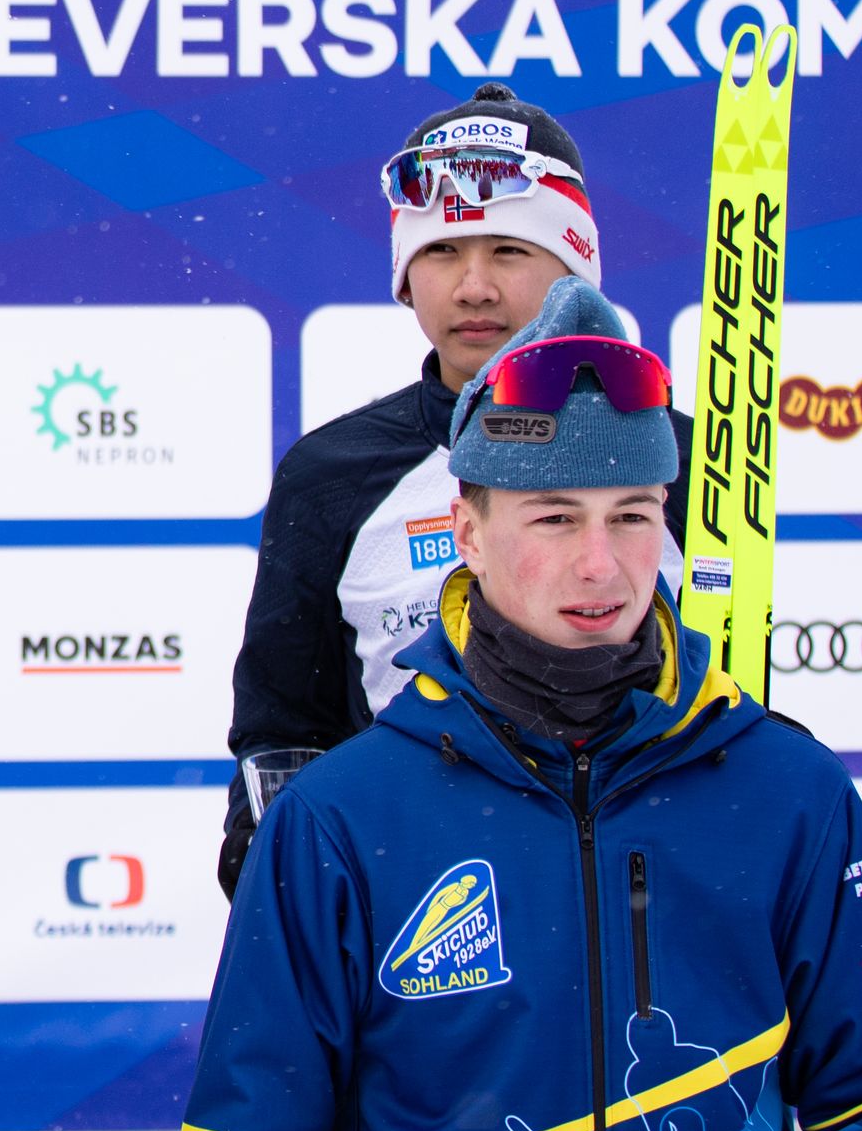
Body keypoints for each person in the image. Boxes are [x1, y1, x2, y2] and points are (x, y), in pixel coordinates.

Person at [185, 279, 862, 1131]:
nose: (601, 565)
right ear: (466, 533)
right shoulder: (339, 819)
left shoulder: (788, 788)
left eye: (630, 516)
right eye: (553, 518)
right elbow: (252, 1130)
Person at [218, 82, 692, 892]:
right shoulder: (333, 477)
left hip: (645, 915)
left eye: (509, 250)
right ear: (405, 275)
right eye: (441, 251)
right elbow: (284, 742)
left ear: (574, 268)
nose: (474, 287)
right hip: (428, 931)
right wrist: (293, 914)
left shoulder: (675, 456)